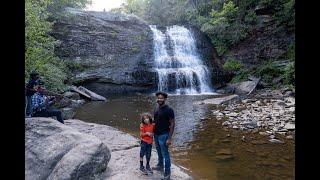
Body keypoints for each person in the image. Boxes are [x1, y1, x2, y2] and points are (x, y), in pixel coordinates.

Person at [152, 91, 175, 180]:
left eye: (161, 98)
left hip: (164, 135)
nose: (159, 99)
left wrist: (169, 138)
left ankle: (167, 173)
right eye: (158, 98)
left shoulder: (169, 109)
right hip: (156, 134)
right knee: (159, 151)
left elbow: (172, 124)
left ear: (165, 99)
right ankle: (160, 165)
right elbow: (155, 121)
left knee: (165, 154)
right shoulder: (156, 108)